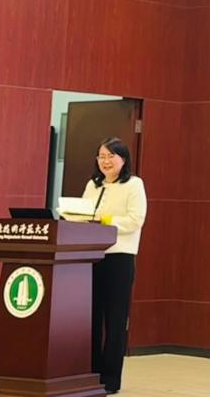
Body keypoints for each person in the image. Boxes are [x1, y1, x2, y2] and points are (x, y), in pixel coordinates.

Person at [83, 137, 147, 395]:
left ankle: (110, 378)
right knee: (91, 317)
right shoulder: (93, 185)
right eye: (101, 156)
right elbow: (84, 214)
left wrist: (105, 220)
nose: (105, 161)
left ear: (123, 159)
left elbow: (135, 220)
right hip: (91, 256)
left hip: (119, 258)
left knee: (115, 319)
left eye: (111, 156)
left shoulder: (134, 184)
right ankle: (90, 372)